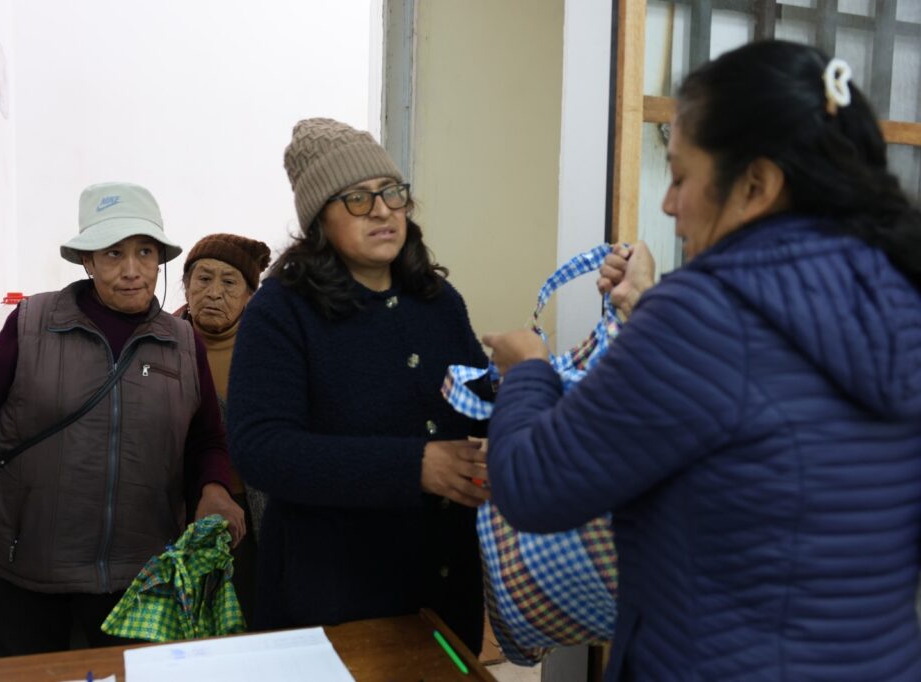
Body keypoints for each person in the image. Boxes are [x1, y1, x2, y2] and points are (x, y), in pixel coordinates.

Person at [483, 40, 921, 680]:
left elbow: (532, 486)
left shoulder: (704, 313)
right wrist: (650, 306)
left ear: (757, 183)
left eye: (681, 177)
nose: (668, 204)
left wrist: (527, 370)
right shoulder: (901, 296)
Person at [0, 181, 245, 657]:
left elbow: (206, 439)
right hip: (29, 568)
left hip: (140, 575)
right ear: (87, 260)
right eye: (112, 253)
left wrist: (214, 488)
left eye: (145, 252)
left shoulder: (183, 345)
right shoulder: (33, 322)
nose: (131, 270)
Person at [227, 118, 491, 653]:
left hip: (443, 595)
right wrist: (414, 466)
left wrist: (532, 388)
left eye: (391, 192)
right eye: (355, 198)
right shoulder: (281, 311)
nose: (382, 210)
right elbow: (262, 449)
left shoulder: (438, 303)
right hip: (332, 603)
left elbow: (480, 405)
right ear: (318, 219)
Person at [176, 232, 271, 623]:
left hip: (246, 520)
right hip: (177, 513)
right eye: (203, 278)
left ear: (250, 295)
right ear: (185, 285)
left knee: (244, 621)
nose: (214, 292)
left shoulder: (269, 351)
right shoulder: (161, 341)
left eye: (229, 282)